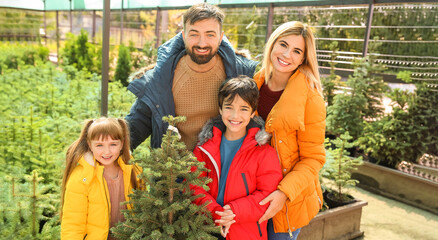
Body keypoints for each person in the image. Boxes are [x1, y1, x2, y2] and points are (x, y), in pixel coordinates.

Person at [126, 3, 258, 152]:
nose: (202, 43)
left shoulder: (241, 73)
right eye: (194, 34)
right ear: (183, 36)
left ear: (221, 37)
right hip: (173, 171)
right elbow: (135, 127)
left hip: (220, 170)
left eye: (210, 34)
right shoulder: (161, 77)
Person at [254, 21, 326, 240]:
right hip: (254, 192)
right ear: (272, 44)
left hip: (287, 199)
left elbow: (313, 159)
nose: (287, 54)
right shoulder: (255, 83)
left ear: (304, 58)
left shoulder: (310, 98)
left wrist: (283, 194)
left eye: (297, 51)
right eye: (283, 44)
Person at [192, 76, 283, 239]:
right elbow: (193, 185)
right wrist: (216, 212)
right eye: (229, 107)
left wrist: (233, 211)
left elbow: (266, 194)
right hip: (207, 228)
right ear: (220, 109)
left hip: (245, 232)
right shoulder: (204, 148)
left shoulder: (264, 152)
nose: (235, 115)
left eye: (243, 109)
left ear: (253, 112)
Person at [61, 117, 141, 240]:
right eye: (99, 145)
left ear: (122, 144)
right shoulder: (82, 178)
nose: (107, 151)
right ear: (90, 145)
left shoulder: (133, 171)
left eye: (113, 144)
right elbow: (73, 223)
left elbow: (145, 209)